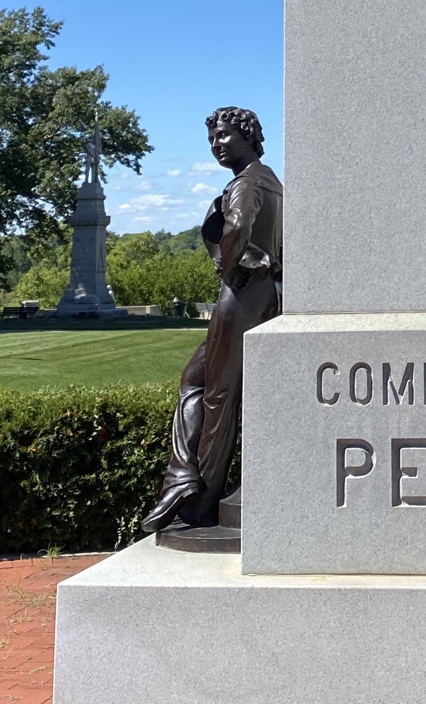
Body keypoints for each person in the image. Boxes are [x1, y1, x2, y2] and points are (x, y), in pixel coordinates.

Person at [141, 106, 283, 532]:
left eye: (223, 136)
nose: (216, 145)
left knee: (217, 394)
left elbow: (237, 225)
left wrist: (228, 264)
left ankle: (196, 498)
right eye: (211, 140)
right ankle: (184, 478)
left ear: (248, 135)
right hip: (267, 296)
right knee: (198, 381)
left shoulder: (246, 183)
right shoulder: (275, 183)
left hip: (240, 297)